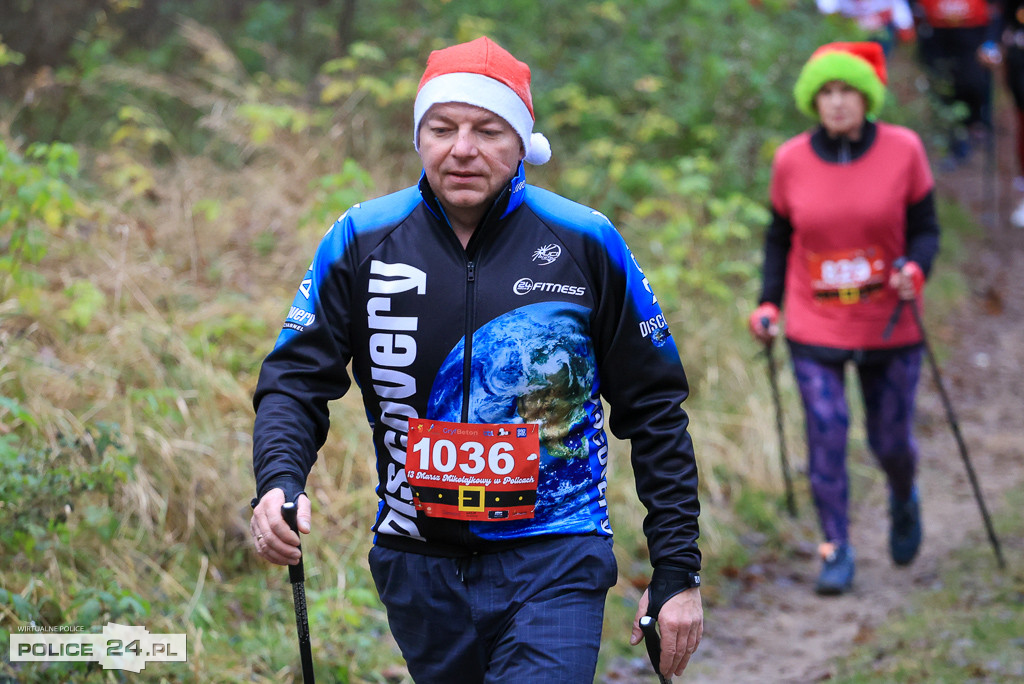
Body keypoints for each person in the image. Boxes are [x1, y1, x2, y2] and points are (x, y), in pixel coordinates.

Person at [249, 36, 703, 682]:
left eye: (488, 130)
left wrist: (677, 571)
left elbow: (655, 407)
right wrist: (278, 482)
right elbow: (295, 381)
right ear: (418, 138)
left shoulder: (584, 242)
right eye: (442, 128)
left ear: (521, 143)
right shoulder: (361, 240)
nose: (462, 148)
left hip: (555, 556)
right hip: (417, 564)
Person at [748, 41, 940, 596]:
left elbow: (926, 229)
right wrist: (768, 303)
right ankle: (835, 547)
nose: (835, 103)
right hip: (815, 326)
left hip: (890, 323)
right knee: (827, 434)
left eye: (846, 91)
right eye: (825, 92)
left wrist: (918, 270)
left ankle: (904, 495)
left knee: (891, 442)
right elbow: (779, 238)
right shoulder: (791, 160)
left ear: (867, 97)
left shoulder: (904, 150)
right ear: (814, 99)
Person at [911, 0, 1000, 166]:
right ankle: (954, 139)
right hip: (937, 35)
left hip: (972, 33)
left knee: (972, 83)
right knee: (943, 88)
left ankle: (975, 122)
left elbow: (996, 12)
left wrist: (990, 41)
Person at [816, 0, 917, 56]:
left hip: (879, 28)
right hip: (847, 28)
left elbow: (901, 14)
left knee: (882, 45)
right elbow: (828, 10)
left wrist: (904, 25)